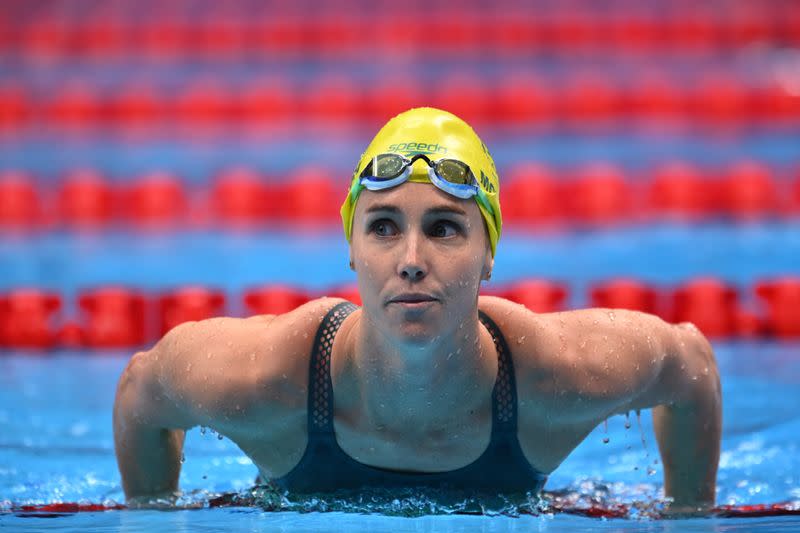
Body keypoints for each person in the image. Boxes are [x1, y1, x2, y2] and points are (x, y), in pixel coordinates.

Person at [113, 107, 721, 513]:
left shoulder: (554, 376)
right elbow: (143, 388)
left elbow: (690, 365)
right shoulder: (269, 379)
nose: (410, 259)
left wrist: (690, 512)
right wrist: (152, 516)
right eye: (382, 227)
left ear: (489, 254)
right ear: (351, 249)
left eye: (445, 229)